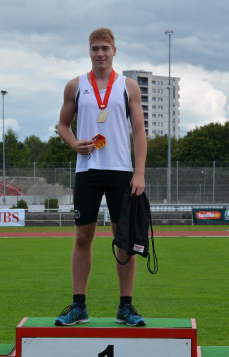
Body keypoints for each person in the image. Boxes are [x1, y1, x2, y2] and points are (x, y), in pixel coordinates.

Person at [55, 27, 148, 326]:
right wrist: (74, 144)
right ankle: (78, 305)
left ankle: (126, 307)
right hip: (88, 171)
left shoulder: (128, 86)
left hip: (122, 172)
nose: (100, 53)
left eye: (105, 48)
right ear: (89, 51)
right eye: (95, 48)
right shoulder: (75, 85)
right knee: (83, 236)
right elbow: (62, 125)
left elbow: (139, 132)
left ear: (114, 51)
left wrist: (139, 173)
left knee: (124, 239)